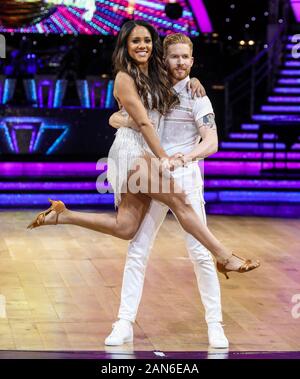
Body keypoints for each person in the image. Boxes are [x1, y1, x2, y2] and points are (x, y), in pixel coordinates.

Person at [27, 21, 259, 293]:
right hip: (132, 152)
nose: (142, 46)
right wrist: (164, 158)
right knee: (180, 201)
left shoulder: (154, 73)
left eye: (147, 40)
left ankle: (63, 216)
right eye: (136, 41)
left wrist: (194, 81)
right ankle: (225, 257)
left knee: (126, 227)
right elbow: (143, 123)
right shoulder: (125, 76)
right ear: (125, 45)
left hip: (143, 151)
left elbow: (176, 78)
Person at [104, 33, 229, 348]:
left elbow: (212, 142)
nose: (181, 63)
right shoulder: (155, 89)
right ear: (165, 60)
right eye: (175, 57)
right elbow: (128, 116)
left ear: (193, 59)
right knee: (137, 250)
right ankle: (124, 323)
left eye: (186, 58)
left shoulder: (198, 96)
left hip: (184, 178)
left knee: (200, 253)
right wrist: (116, 119)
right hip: (152, 175)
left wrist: (185, 158)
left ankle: (215, 325)